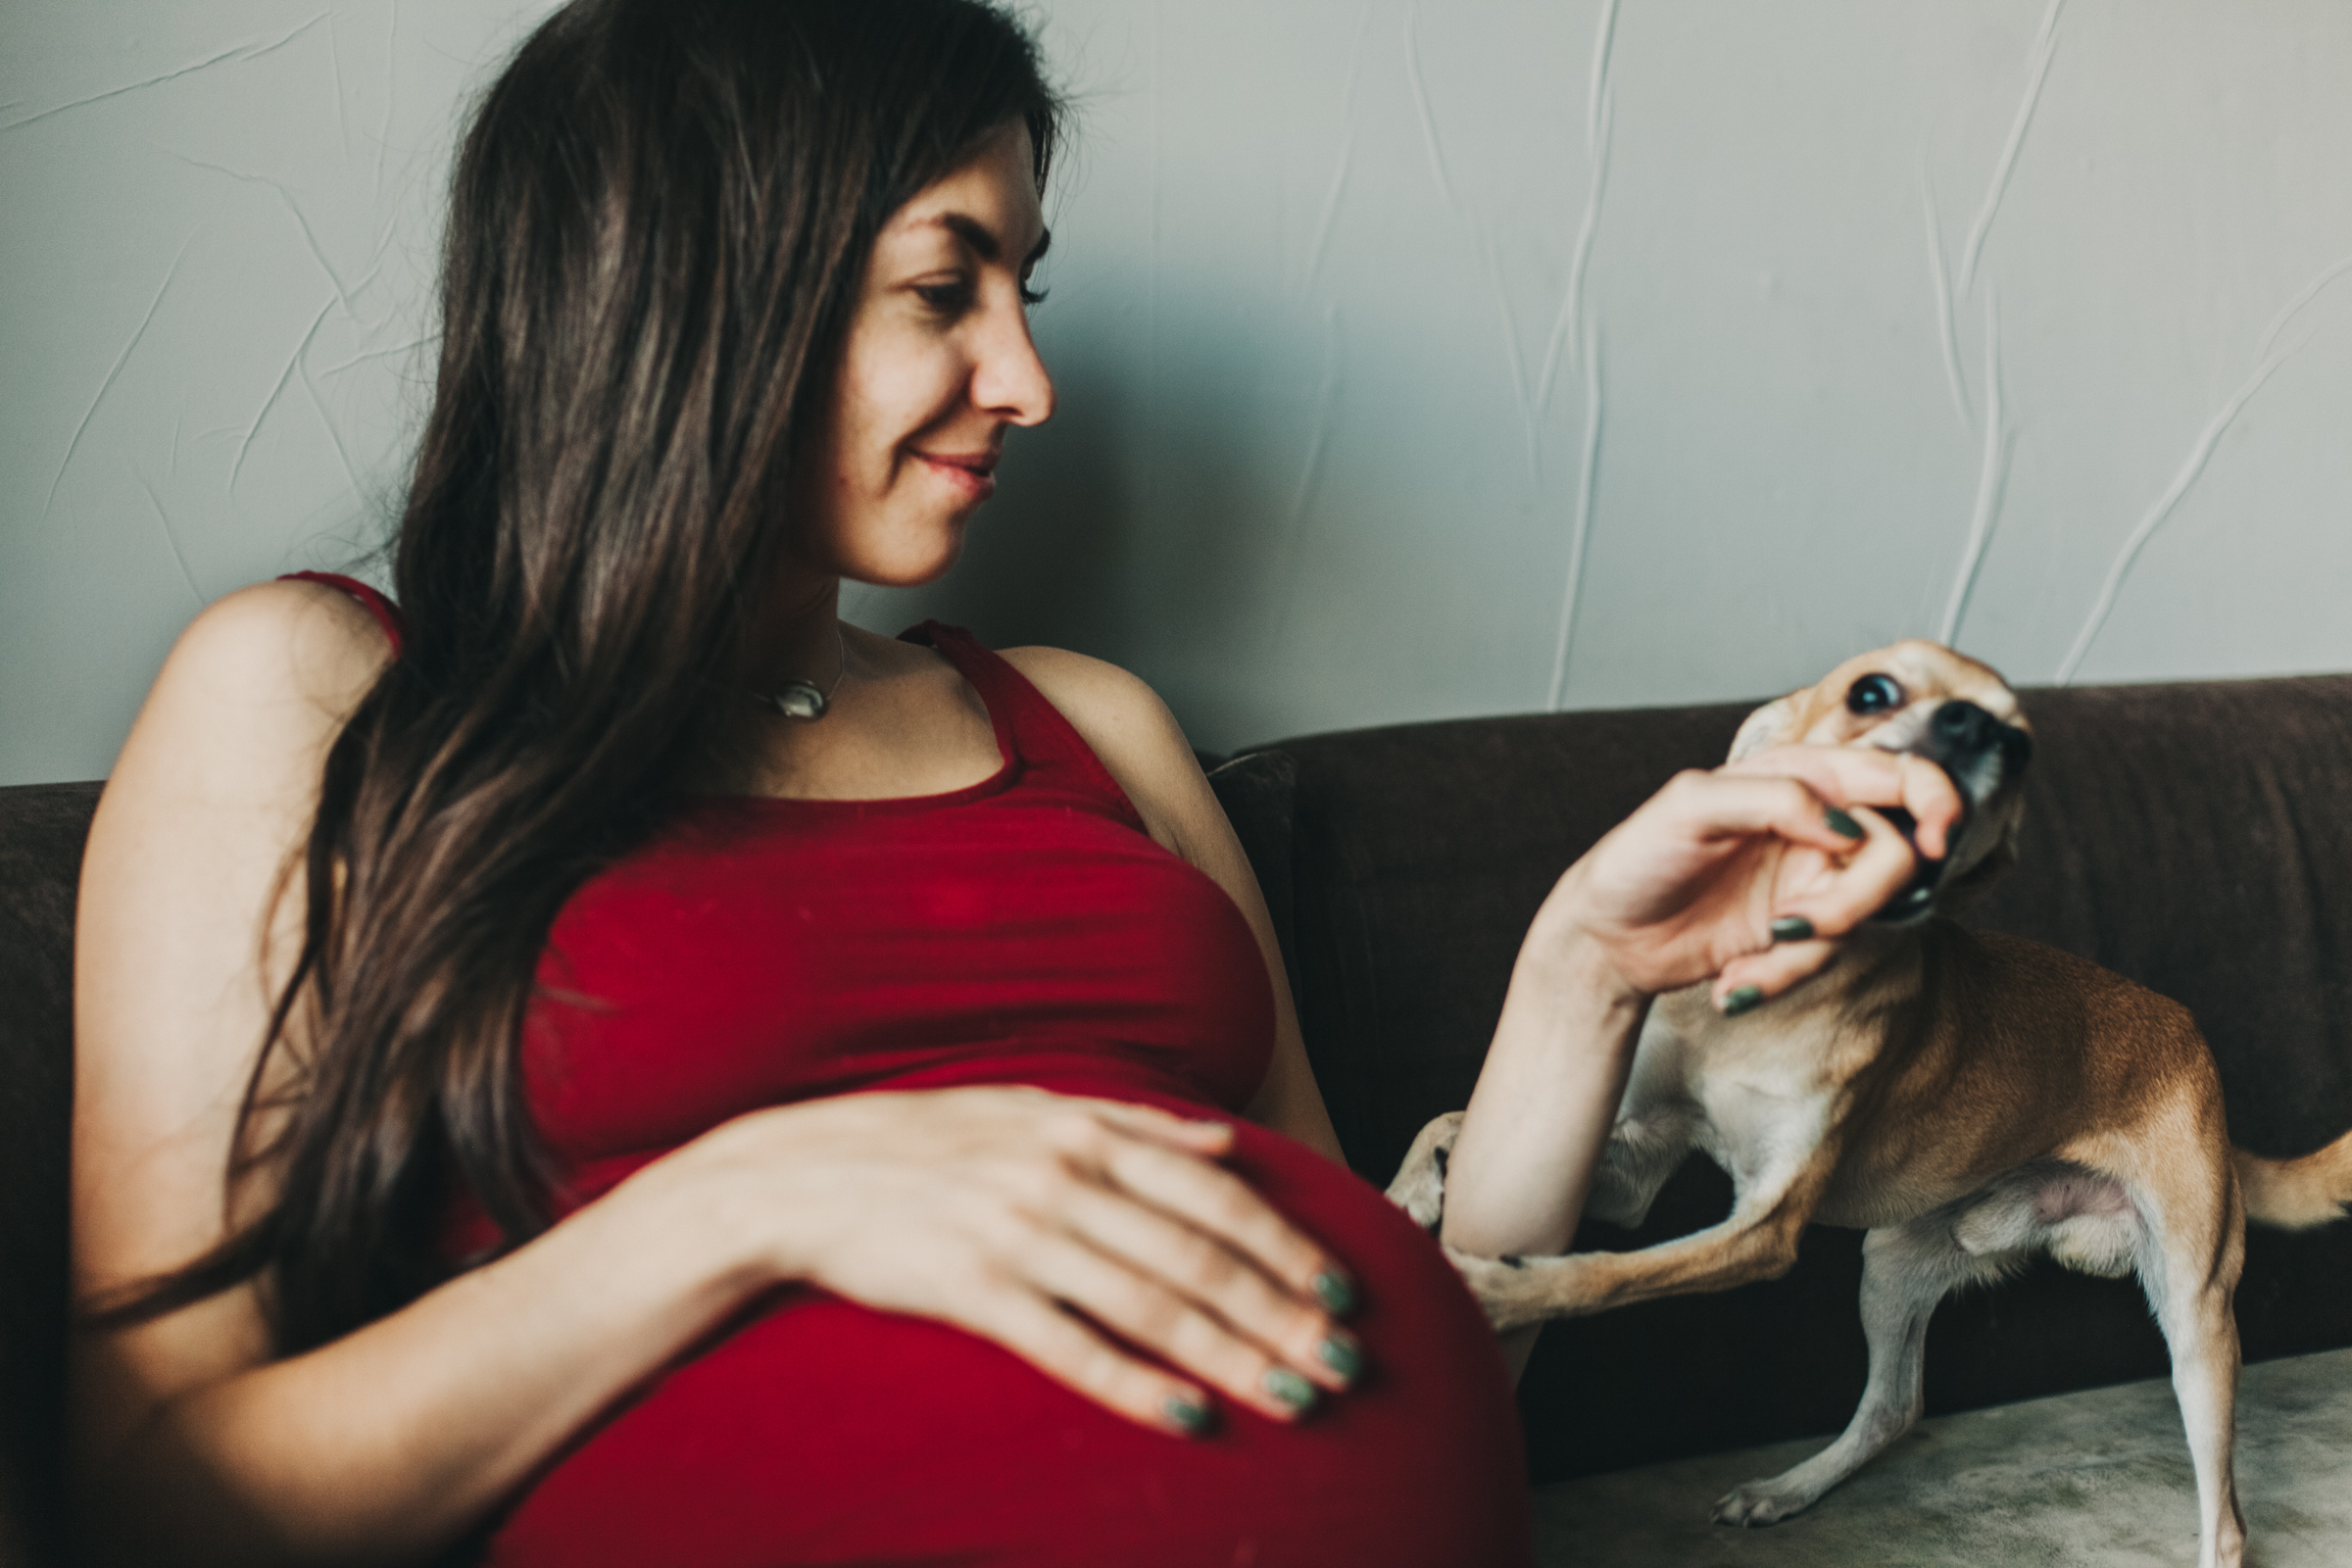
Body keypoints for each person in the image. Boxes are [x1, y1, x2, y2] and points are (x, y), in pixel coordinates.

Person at [68, 2, 1961, 1564]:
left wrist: (1588, 974)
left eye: (1024, 287)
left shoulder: (1091, 726)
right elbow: (159, 1490)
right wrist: (758, 1199)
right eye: (942, 288)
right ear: (696, 292)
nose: (1029, 378)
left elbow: (1407, 1322)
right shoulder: (319, 696)